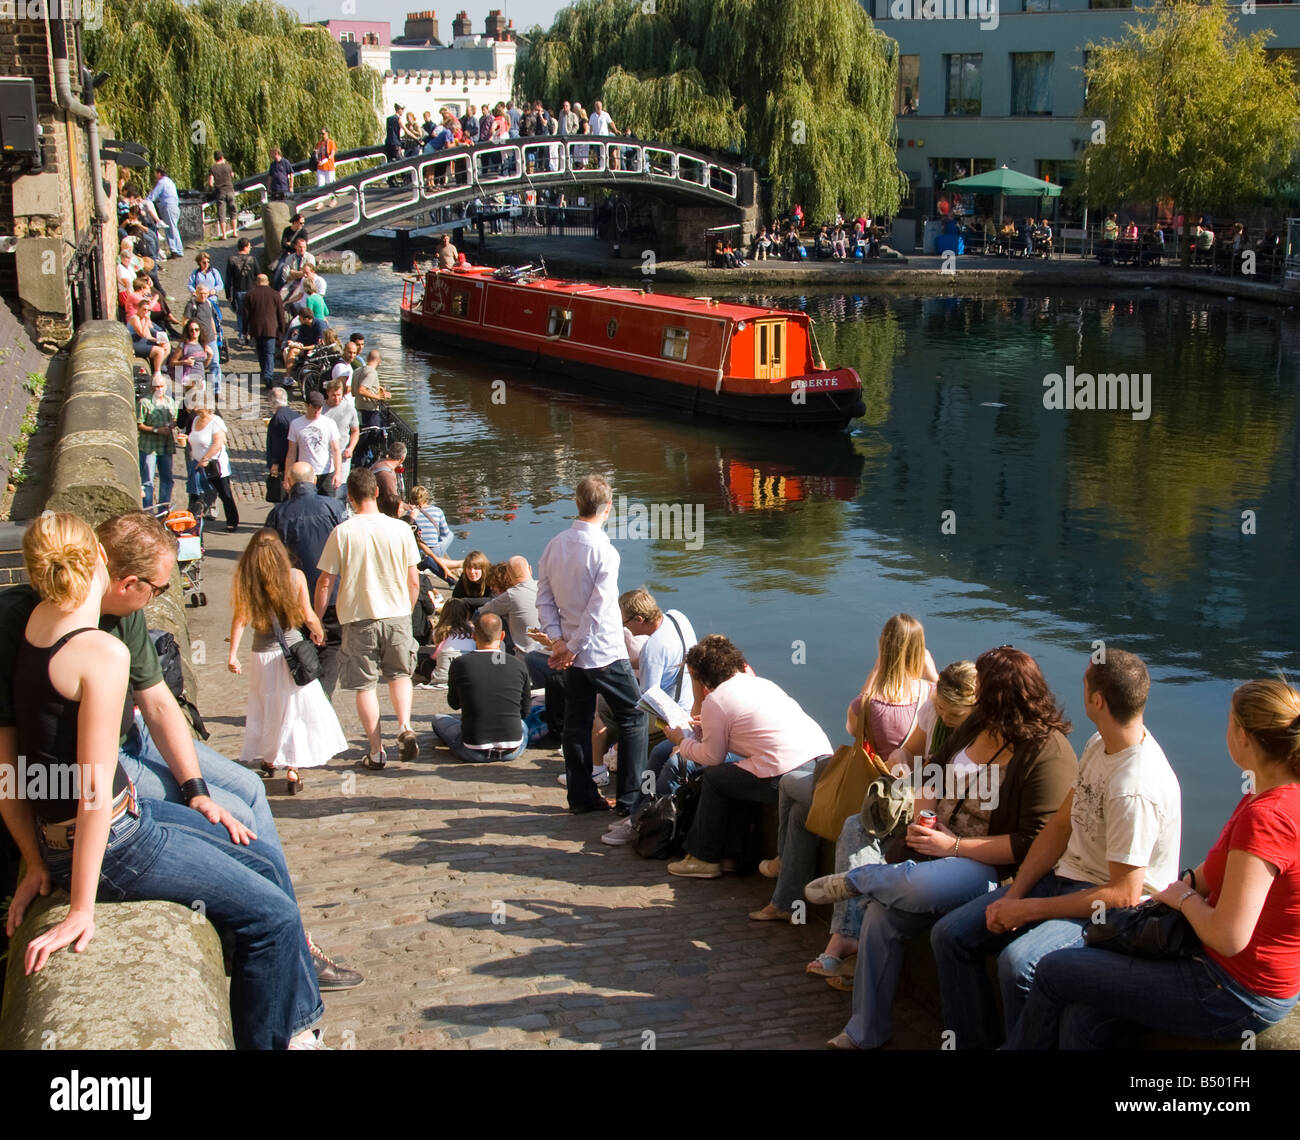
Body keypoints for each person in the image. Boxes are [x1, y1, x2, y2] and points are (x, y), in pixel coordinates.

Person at [0, 510, 362, 992]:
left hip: (130, 739)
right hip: (104, 764)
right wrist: (38, 859)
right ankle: (276, 942)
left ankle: (291, 942)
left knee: (249, 788)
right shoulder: (23, 620)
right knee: (237, 822)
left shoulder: (123, 614)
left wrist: (195, 788)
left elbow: (157, 702)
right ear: (127, 582)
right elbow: (19, 762)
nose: (159, 598)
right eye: (158, 588)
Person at [1009, 678, 1300, 1050]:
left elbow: (1229, 936)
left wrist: (1183, 901)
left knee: (1052, 971)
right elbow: (1212, 875)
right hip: (1241, 978)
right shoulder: (1266, 793)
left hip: (1234, 990)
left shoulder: (1268, 817)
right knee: (1083, 1019)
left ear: (1242, 735)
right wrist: (1176, 893)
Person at [810, 651, 1077, 1049]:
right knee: (882, 919)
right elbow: (934, 769)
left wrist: (954, 845)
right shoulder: (976, 726)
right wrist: (925, 815)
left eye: (983, 689)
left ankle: (862, 878)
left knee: (913, 890)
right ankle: (864, 1030)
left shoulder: (1046, 752)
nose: (977, 698)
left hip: (988, 866)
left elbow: (1031, 843)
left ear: (1002, 694)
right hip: (938, 847)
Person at [930, 648, 1181, 1049]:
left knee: (1019, 963)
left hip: (1110, 912)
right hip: (1063, 878)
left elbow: (1124, 894)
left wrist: (1028, 909)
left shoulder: (1136, 787)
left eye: (1084, 683)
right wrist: (1014, 894)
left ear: (1097, 700)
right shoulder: (1101, 744)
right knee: (951, 935)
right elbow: (1061, 825)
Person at [753, 614, 938, 922]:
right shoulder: (931, 697)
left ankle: (782, 864)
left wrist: (875, 671)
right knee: (801, 815)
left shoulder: (870, 701)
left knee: (788, 783)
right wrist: (932, 673)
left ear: (883, 647)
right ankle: (786, 903)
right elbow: (953, 693)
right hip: (902, 796)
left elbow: (853, 728)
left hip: (865, 796)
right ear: (920, 651)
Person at [665, 636, 833, 879]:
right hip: (820, 762)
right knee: (735, 775)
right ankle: (731, 857)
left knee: (715, 778)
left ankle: (704, 858)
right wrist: (706, 729)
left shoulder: (716, 700)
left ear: (702, 675)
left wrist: (682, 741)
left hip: (785, 773)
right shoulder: (763, 684)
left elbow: (711, 757)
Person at [537, 474, 648, 817]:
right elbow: (599, 608)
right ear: (608, 508)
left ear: (576, 502)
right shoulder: (605, 551)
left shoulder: (554, 544)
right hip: (602, 652)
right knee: (635, 716)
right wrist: (572, 646)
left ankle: (582, 796)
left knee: (577, 721)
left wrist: (558, 641)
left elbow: (545, 599)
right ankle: (631, 801)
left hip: (573, 652)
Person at [315, 468, 421, 770]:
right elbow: (414, 580)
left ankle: (376, 751)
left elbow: (325, 582)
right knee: (400, 675)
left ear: (350, 498)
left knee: (365, 685)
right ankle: (403, 725)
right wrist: (407, 610)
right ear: (376, 493)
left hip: (360, 617)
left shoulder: (343, 532)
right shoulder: (401, 530)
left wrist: (317, 618)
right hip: (397, 612)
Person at [228, 529, 345, 793]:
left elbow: (240, 619)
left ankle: (270, 758)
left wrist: (232, 654)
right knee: (295, 710)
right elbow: (308, 615)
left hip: (261, 655)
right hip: (292, 652)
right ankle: (293, 768)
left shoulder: (248, 581)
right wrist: (319, 632)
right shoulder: (295, 577)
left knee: (267, 707)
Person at [269, 462, 345, 694]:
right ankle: (324, 695)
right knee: (332, 645)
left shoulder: (278, 513)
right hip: (332, 590)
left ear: (288, 483)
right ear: (313, 480)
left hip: (293, 592)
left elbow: (270, 554)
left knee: (298, 644)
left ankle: (306, 693)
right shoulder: (332, 506)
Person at [432, 611, 532, 763]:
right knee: (521, 725)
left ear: (473, 635)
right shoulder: (518, 664)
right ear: (503, 636)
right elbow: (525, 711)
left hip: (472, 749)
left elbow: (454, 704)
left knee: (438, 720)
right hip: (511, 749)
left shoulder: (460, 664)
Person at [187, 399, 239, 531]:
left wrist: (206, 458)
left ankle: (232, 520)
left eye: (199, 408)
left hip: (214, 465)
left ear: (208, 407)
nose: (196, 410)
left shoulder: (216, 422)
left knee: (224, 494)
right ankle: (193, 521)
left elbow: (218, 443)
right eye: (195, 408)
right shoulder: (195, 420)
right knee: (196, 494)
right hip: (197, 465)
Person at [285, 390, 342, 497]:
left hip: (326, 473)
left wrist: (338, 473)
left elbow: (336, 450)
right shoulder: (296, 424)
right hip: (304, 474)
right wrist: (287, 477)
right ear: (307, 405)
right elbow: (291, 453)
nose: (317, 411)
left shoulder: (329, 423)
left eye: (319, 408)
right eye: (314, 407)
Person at [137, 374, 177, 509]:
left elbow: (175, 419)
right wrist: (156, 430)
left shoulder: (170, 401)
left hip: (166, 446)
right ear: (151, 388)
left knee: (167, 479)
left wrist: (171, 425)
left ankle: (163, 510)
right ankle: (148, 510)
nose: (159, 389)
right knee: (147, 481)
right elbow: (139, 424)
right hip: (149, 446)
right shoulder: (144, 402)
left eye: (161, 386)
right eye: (156, 386)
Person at [407, 484, 460, 581]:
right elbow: (445, 533)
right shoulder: (437, 511)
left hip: (418, 550)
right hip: (434, 550)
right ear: (427, 498)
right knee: (450, 534)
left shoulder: (409, 514)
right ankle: (458, 564)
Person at [245, 272, 287, 388]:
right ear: (267, 282)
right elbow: (281, 314)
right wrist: (282, 330)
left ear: (256, 282)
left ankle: (264, 371)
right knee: (269, 353)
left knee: (261, 352)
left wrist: (245, 330)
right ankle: (268, 376)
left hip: (256, 328)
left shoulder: (250, 294)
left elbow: (246, 315)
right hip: (271, 328)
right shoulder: (275, 294)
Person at [323, 377, 359, 494]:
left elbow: (355, 431)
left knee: (340, 488)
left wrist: (350, 448)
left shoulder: (349, 409)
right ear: (327, 393)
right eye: (333, 395)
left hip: (342, 455)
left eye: (339, 395)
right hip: (324, 455)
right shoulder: (321, 409)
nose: (337, 398)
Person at [225, 238, 258, 346]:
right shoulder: (252, 259)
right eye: (250, 246)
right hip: (252, 291)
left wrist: (228, 294)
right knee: (253, 314)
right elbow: (259, 276)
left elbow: (228, 279)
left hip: (238, 291)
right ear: (246, 246)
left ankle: (242, 335)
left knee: (240, 315)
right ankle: (253, 334)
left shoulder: (231, 260)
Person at [265, 386, 297, 487]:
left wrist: (275, 463)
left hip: (283, 463)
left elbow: (277, 444)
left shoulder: (277, 419)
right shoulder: (295, 415)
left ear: (272, 401)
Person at [147, 166, 182, 257]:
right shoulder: (169, 181)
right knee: (172, 228)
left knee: (171, 229)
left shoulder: (162, 182)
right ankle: (174, 250)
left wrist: (145, 201)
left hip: (168, 207)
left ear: (159, 173)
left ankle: (177, 250)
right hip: (174, 206)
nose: (155, 176)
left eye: (156, 173)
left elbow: (153, 196)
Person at [352, 349, 390, 429]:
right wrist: (379, 397)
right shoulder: (372, 372)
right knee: (373, 436)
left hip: (358, 408)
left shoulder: (357, 371)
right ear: (379, 361)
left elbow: (353, 392)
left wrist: (378, 388)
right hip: (370, 412)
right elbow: (361, 390)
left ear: (367, 358)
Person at [370, 441, 407, 517]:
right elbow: (393, 501)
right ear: (402, 458)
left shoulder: (380, 462)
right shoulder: (386, 475)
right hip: (380, 510)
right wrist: (408, 507)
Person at [209, 150, 238, 240]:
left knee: (222, 213)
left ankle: (224, 234)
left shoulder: (212, 168)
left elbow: (210, 182)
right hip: (230, 190)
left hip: (220, 192)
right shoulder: (228, 166)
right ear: (222, 157)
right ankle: (234, 231)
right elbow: (232, 175)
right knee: (233, 211)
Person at [314, 128, 337, 198]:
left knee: (329, 185)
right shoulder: (319, 144)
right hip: (320, 167)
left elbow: (332, 154)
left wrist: (324, 161)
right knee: (320, 186)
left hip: (329, 167)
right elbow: (317, 154)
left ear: (327, 133)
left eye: (323, 134)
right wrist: (315, 154)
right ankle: (320, 201)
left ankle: (333, 199)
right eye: (320, 134)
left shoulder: (331, 143)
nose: (321, 135)